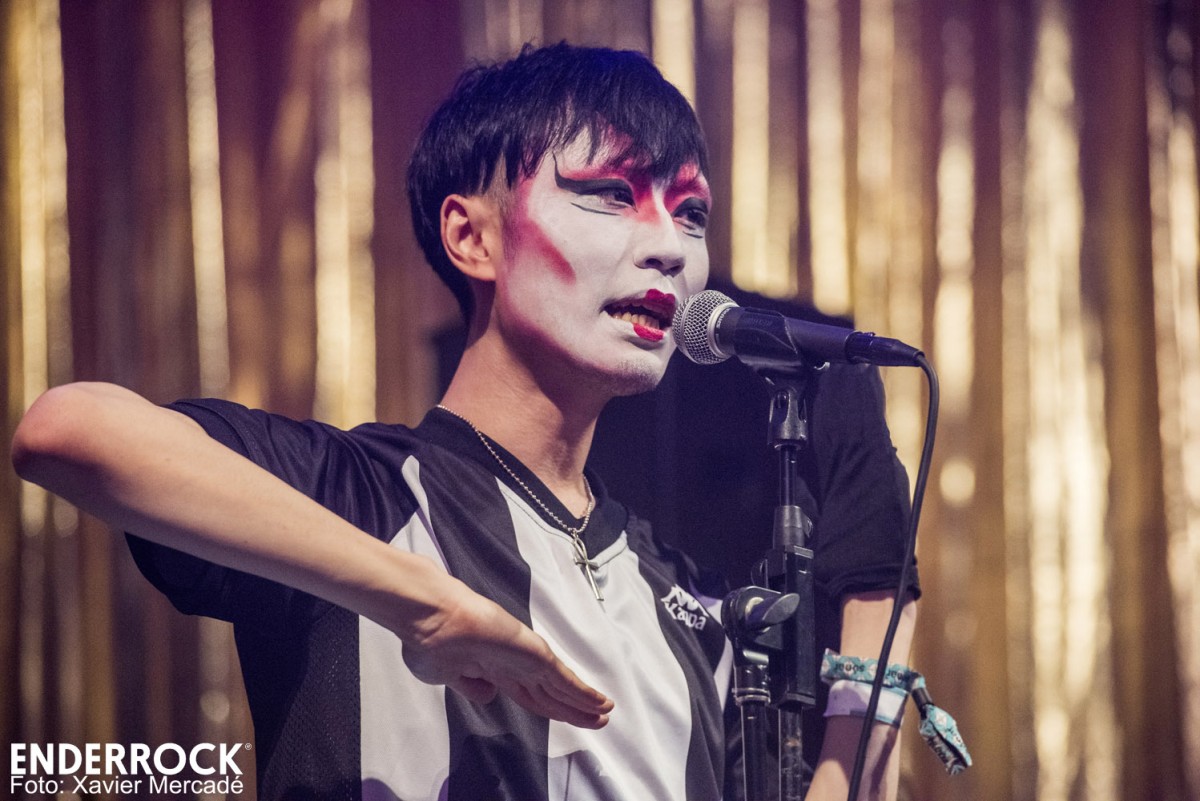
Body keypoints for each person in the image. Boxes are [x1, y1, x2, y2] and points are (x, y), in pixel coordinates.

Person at [12, 43, 917, 800]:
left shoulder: (686, 610)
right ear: (471, 237)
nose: (669, 246)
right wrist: (423, 602)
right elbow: (68, 430)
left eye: (690, 213)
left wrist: (874, 609)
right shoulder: (360, 496)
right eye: (611, 193)